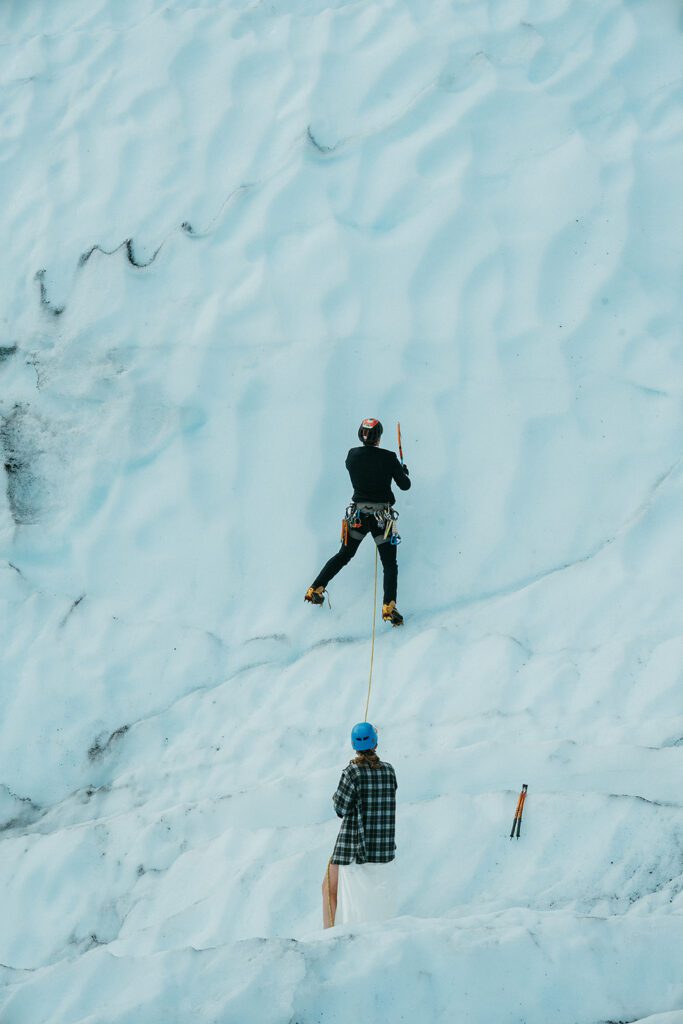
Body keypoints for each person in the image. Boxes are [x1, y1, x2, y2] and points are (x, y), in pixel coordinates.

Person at [305, 418, 411, 625]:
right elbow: (405, 486)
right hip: (382, 519)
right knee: (389, 564)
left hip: (358, 517)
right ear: (379, 436)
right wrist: (401, 470)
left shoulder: (352, 456)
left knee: (344, 554)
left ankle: (316, 588)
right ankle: (389, 605)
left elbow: (364, 469)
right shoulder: (389, 458)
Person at [322, 722, 398, 928]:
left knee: (329, 888)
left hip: (353, 847)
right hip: (383, 849)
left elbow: (340, 809)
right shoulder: (389, 771)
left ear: (354, 745)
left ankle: (327, 936)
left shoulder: (352, 772)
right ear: (375, 743)